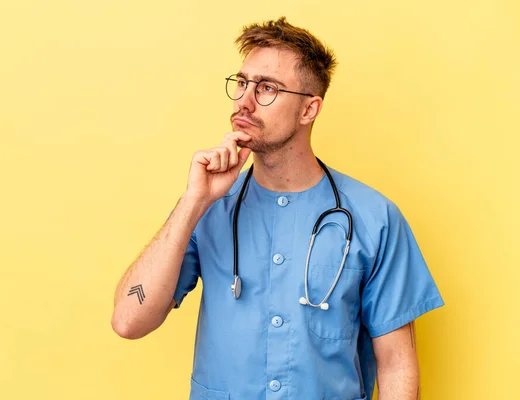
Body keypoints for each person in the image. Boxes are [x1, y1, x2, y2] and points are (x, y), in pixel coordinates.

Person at [111, 17, 444, 400]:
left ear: (309, 110)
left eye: (267, 88)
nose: (244, 101)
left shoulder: (375, 219)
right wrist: (192, 202)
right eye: (241, 83)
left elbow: (397, 365)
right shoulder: (208, 207)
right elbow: (127, 321)